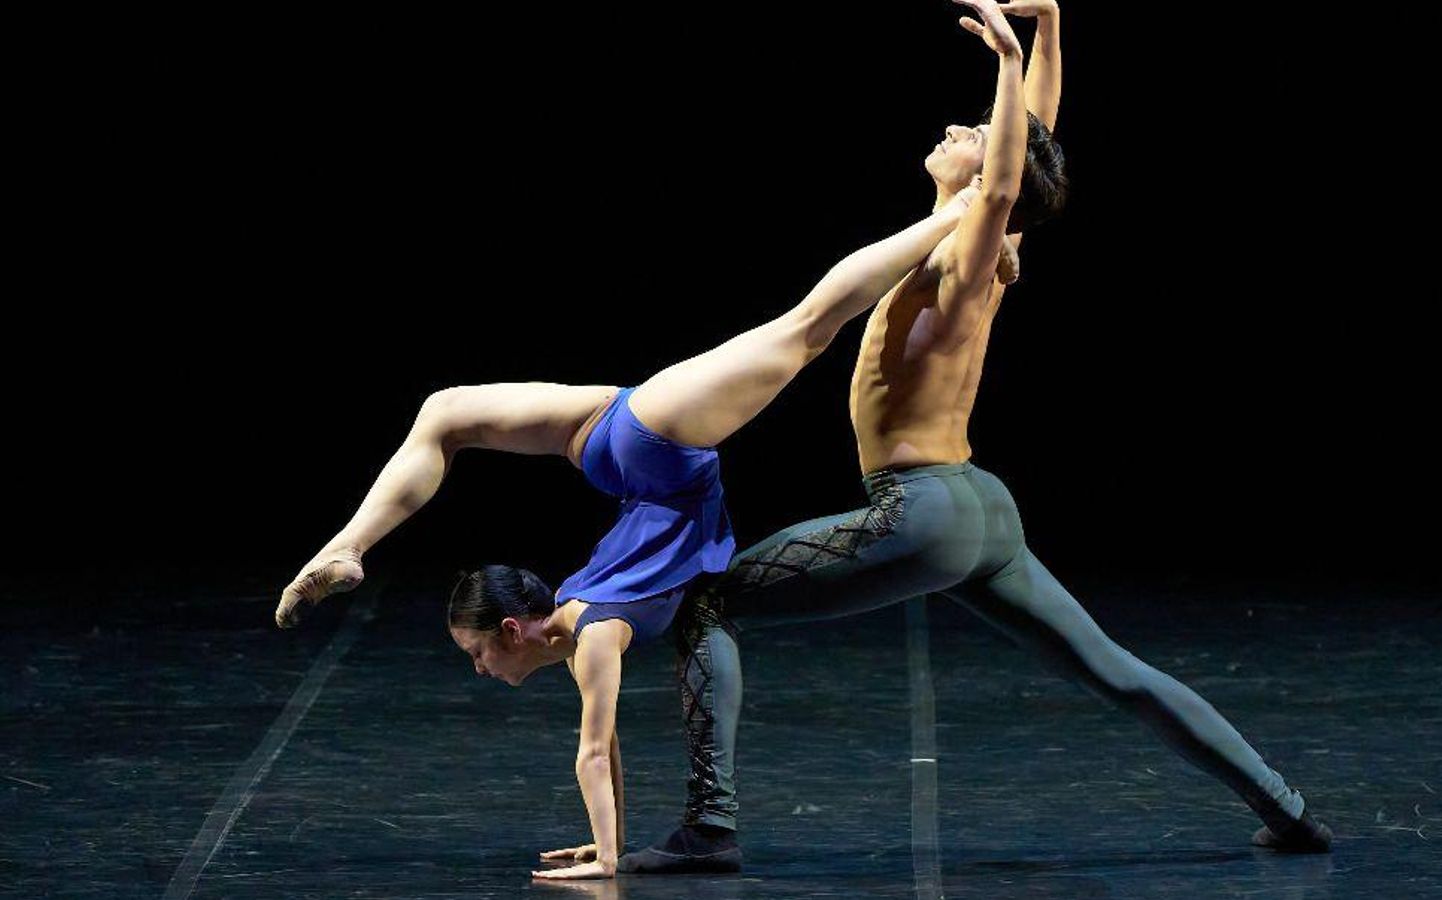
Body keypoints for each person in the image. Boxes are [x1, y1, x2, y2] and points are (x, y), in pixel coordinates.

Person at [616, 0, 1332, 875]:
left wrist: (1006, 58)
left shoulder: (965, 252)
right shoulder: (977, 240)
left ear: (993, 171)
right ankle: (1288, 810)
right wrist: (1050, 30)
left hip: (922, 512)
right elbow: (1028, 150)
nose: (959, 128)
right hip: (979, 510)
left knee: (704, 602)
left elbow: (1004, 180)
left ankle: (710, 827)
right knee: (1114, 669)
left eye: (976, 131)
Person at [272, 186, 989, 880]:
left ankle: (953, 213)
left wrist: (609, 859)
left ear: (516, 628)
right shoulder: (580, 619)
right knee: (444, 411)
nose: (479, 669)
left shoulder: (591, 634)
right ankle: (348, 546)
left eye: (478, 652)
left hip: (653, 445)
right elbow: (604, 749)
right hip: (613, 442)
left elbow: (592, 754)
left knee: (807, 326)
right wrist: (603, 843)